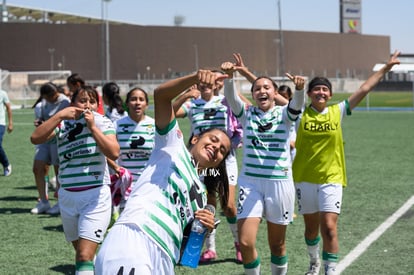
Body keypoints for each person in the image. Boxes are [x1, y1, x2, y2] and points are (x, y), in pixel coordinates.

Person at [95, 70, 232, 275]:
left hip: (166, 256)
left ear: (218, 163)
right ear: (194, 139)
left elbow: (187, 253)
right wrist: (195, 77)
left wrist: (204, 228)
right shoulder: (172, 145)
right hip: (137, 235)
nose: (216, 147)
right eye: (213, 139)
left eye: (222, 150)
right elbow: (161, 96)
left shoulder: (201, 194)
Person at [292, 50, 401, 275]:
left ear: (330, 94)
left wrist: (385, 69)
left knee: (329, 228)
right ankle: (314, 262)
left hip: (331, 178)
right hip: (304, 178)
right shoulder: (299, 114)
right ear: (310, 93)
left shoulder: (338, 111)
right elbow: (271, 96)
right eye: (317, 88)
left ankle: (330, 272)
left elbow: (364, 88)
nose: (321, 92)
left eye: (325, 89)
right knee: (311, 231)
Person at [221, 55, 305, 275]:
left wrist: (299, 90)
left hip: (280, 184)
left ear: (274, 92)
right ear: (253, 95)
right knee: (246, 242)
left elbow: (297, 105)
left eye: (266, 87)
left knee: (277, 246)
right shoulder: (246, 114)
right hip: (250, 184)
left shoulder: (285, 115)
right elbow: (231, 97)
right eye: (257, 88)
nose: (261, 91)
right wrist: (229, 77)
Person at [30, 85, 119, 274]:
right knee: (83, 254)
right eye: (82, 100)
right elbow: (36, 138)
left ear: (97, 105)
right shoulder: (63, 124)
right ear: (73, 103)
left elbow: (114, 151)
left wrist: (92, 127)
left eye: (92, 101)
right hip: (67, 197)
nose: (87, 105)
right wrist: (59, 116)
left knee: (83, 256)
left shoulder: (102, 122)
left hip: (95, 196)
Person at [173, 71, 243, 263]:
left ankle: (239, 244)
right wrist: (186, 94)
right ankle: (210, 249)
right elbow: (171, 111)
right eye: (203, 81)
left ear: (216, 84)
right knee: (207, 205)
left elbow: (244, 105)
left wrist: (230, 85)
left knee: (229, 206)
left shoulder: (225, 100)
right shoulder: (192, 104)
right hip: (200, 160)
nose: (206, 84)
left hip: (223, 159)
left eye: (211, 81)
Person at [108, 87, 155, 219]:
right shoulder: (116, 125)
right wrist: (116, 169)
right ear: (127, 103)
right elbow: (105, 151)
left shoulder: (155, 125)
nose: (137, 103)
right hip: (125, 185)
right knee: (127, 223)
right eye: (133, 99)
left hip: (148, 184)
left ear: (147, 104)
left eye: (141, 99)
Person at [31, 82, 70, 215]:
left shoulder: (65, 102)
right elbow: (45, 118)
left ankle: (61, 202)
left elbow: (65, 121)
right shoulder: (44, 102)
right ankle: (43, 201)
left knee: (58, 171)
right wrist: (39, 122)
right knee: (37, 168)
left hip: (58, 139)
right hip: (45, 140)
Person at [0, 88, 13, 176]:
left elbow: (8, 107)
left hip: (0, 123)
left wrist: (10, 123)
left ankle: (6, 164)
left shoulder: (2, 93)